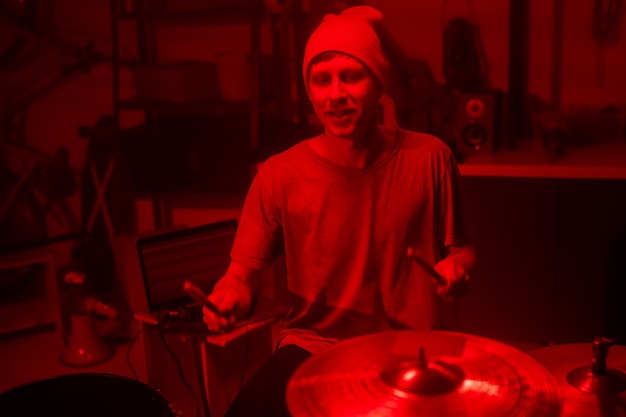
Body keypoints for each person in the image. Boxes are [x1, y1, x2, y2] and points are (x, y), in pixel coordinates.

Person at [202, 5, 476, 417]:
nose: (336, 94)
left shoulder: (430, 158)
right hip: (313, 346)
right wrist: (226, 297)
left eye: (352, 76)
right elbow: (240, 276)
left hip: (409, 349)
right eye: (322, 80)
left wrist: (457, 270)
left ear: (378, 82)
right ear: (309, 90)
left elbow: (463, 251)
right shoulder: (278, 175)